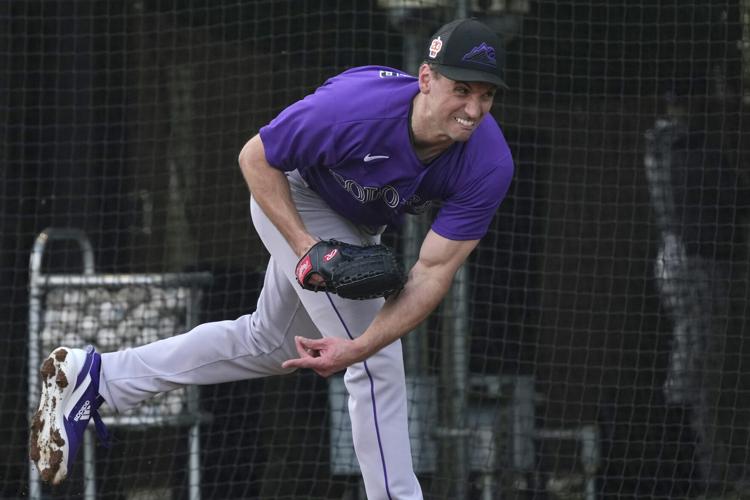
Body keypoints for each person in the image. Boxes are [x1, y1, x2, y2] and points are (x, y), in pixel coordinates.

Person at [30, 18, 514, 499]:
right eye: (462, 89)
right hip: (294, 196)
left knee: (270, 343)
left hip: (357, 226)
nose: (473, 108)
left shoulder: (488, 163)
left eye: (486, 95)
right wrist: (306, 249)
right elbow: (255, 157)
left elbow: (432, 272)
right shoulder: (356, 107)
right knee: (378, 362)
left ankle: (96, 378)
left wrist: (358, 343)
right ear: (426, 79)